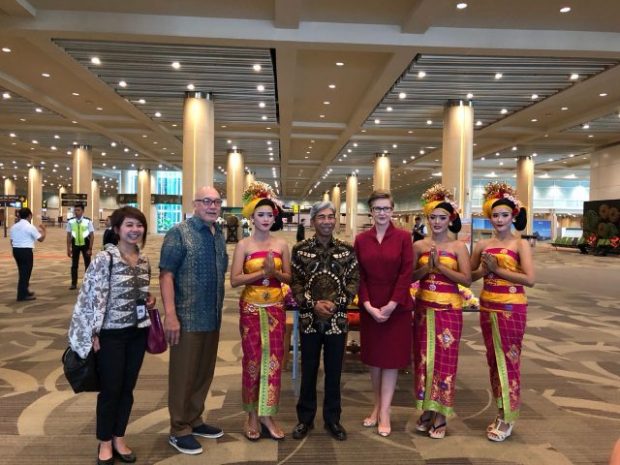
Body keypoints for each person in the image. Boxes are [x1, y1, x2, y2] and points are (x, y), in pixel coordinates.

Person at [68, 206, 156, 465]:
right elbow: (89, 298)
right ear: (117, 229)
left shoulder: (144, 260)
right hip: (110, 335)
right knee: (110, 389)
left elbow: (140, 294)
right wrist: (92, 333)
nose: (135, 230)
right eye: (129, 225)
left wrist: (148, 300)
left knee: (127, 388)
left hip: (137, 333)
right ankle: (105, 441)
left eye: (139, 225)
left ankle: (119, 437)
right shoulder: (104, 259)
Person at [159, 186, 228, 455]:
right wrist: (170, 315)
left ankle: (194, 419)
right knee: (183, 374)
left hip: (213, 315)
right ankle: (179, 428)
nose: (212, 206)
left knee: (203, 372)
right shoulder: (179, 233)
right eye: (207, 201)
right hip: (186, 317)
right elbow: (166, 275)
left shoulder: (218, 234)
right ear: (195, 204)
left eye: (217, 202)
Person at [290, 201, 359, 441]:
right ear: (313, 221)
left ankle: (333, 420)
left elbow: (354, 281)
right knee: (308, 370)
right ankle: (305, 419)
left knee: (334, 371)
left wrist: (336, 304)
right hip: (309, 319)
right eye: (321, 217)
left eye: (331, 217)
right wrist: (313, 304)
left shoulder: (347, 250)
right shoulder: (300, 250)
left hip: (337, 320)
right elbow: (296, 282)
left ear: (335, 221)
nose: (327, 221)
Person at [471, 182, 534, 442]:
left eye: (504, 215)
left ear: (513, 216)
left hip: (512, 307)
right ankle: (500, 409)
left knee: (509, 360)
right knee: (493, 361)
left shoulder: (521, 245)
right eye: (495, 215)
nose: (499, 220)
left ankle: (507, 416)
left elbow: (529, 279)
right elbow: (469, 277)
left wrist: (497, 270)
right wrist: (484, 271)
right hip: (487, 306)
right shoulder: (482, 245)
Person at [230, 182, 291, 441]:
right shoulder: (243, 245)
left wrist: (274, 272)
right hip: (251, 308)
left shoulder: (282, 244)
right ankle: (252, 415)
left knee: (274, 361)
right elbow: (234, 280)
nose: (265, 219)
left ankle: (268, 414)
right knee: (252, 361)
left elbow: (289, 277)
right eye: (260, 215)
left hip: (276, 307)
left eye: (269, 215)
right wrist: (261, 273)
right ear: (252, 218)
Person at [412, 184, 471, 439]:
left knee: (445, 362)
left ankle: (441, 413)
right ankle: (427, 409)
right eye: (433, 217)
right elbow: (409, 277)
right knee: (423, 360)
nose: (436, 222)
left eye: (442, 218)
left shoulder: (458, 247)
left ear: (450, 219)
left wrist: (440, 267)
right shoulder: (418, 245)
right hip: (423, 309)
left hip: (449, 310)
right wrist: (426, 269)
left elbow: (467, 280)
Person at [354, 190, 413, 437]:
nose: (382, 213)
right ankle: (377, 406)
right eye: (377, 208)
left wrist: (392, 304)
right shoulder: (361, 239)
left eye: (386, 208)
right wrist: (367, 304)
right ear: (371, 211)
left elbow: (406, 273)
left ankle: (385, 411)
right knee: (374, 360)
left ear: (392, 211)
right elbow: (359, 275)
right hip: (370, 306)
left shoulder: (403, 237)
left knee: (390, 361)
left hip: (396, 307)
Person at [9, 207, 46, 301]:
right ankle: (21, 295)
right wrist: (44, 230)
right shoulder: (30, 227)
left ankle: (25, 290)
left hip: (16, 250)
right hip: (25, 251)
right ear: (29, 216)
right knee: (25, 273)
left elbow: (11, 241)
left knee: (22, 271)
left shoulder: (14, 226)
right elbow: (41, 239)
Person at [66, 203, 95, 290]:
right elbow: (68, 235)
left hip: (86, 244)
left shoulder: (88, 221)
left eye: (78, 210)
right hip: (75, 244)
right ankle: (73, 283)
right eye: (75, 210)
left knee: (87, 265)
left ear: (83, 211)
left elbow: (92, 235)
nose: (76, 212)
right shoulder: (71, 221)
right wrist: (68, 248)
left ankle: (88, 283)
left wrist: (90, 248)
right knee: (74, 265)